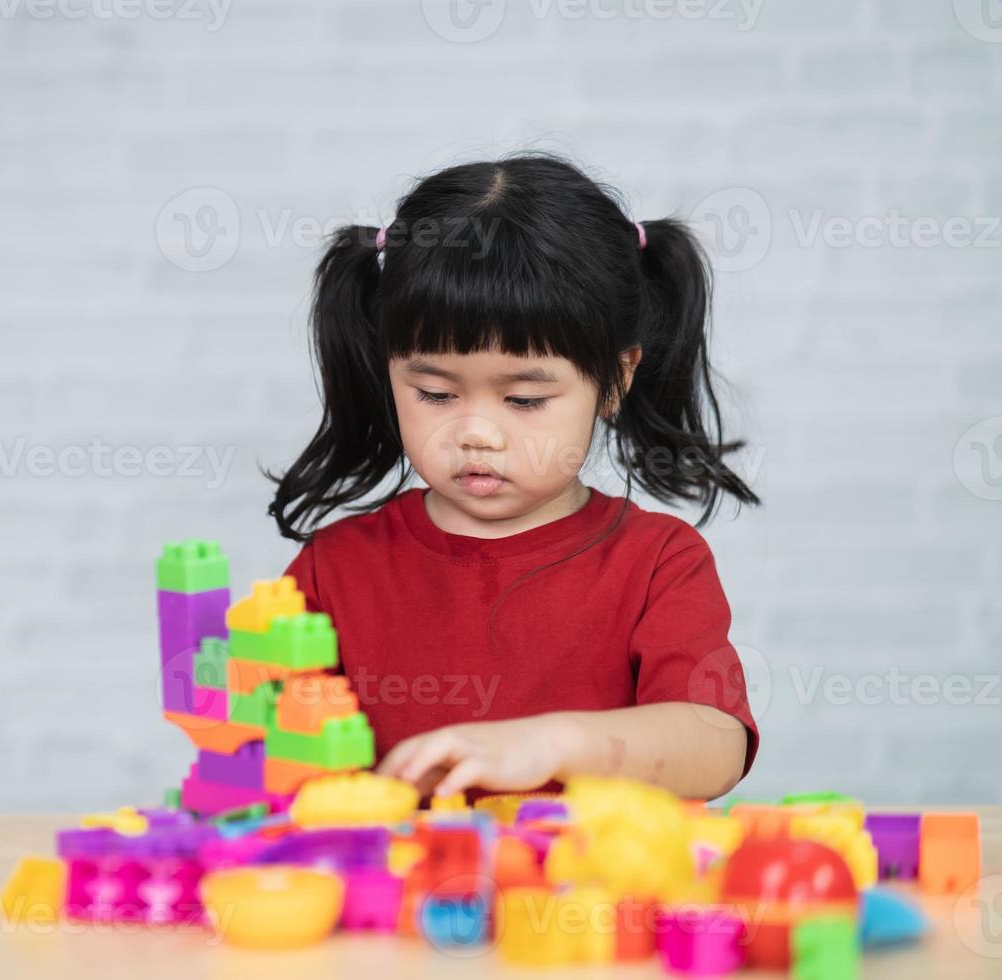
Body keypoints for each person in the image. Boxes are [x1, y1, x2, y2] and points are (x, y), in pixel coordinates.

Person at [267, 153, 760, 802]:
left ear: (617, 378)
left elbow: (714, 743)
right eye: (435, 393)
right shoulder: (334, 570)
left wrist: (551, 746)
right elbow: (272, 758)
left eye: (525, 400)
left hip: (595, 901)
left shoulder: (657, 564)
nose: (478, 433)